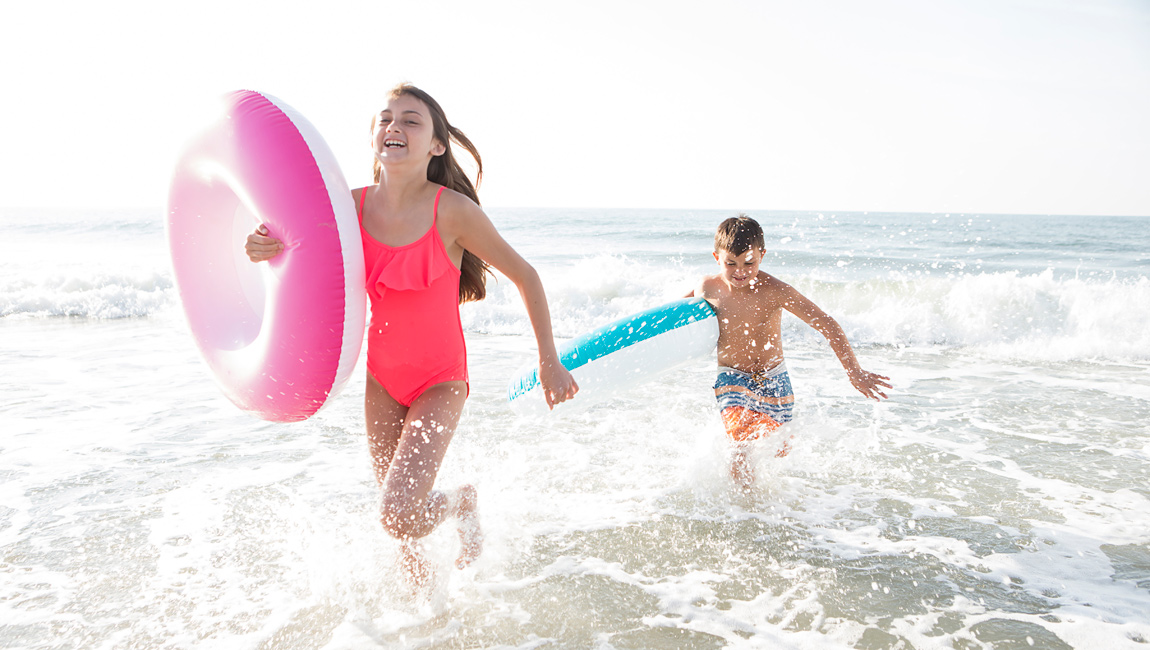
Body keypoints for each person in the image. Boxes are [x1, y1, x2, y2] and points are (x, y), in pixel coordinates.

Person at [245, 83, 578, 588]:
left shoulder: (453, 212)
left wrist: (547, 360)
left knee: (397, 514)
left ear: (436, 146)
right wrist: (262, 245)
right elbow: (288, 245)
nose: (394, 126)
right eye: (385, 118)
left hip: (441, 382)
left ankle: (460, 502)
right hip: (382, 382)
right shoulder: (345, 209)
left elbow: (526, 275)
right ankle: (426, 620)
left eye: (411, 120)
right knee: (400, 531)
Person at [689, 215, 891, 492]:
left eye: (750, 262)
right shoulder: (707, 288)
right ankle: (745, 508)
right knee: (740, 444)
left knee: (777, 447)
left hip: (774, 377)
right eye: (730, 263)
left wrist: (854, 372)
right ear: (716, 257)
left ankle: (766, 497)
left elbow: (827, 324)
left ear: (762, 255)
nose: (740, 271)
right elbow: (676, 321)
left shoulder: (776, 291)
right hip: (731, 377)